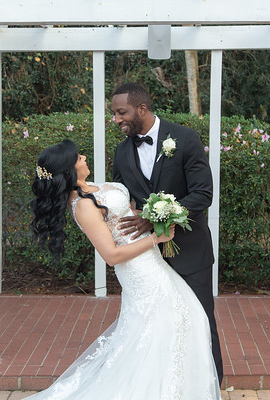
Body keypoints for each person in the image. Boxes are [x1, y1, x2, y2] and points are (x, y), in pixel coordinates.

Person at [26, 139, 221, 400]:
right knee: (171, 321)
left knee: (180, 320)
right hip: (138, 270)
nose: (83, 157)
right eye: (78, 157)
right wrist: (155, 239)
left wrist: (156, 214)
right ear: (69, 170)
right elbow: (111, 255)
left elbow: (126, 215)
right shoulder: (83, 206)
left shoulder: (93, 189)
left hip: (152, 262)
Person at [111, 82, 223, 382]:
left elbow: (203, 194)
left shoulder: (185, 139)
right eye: (114, 114)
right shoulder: (121, 152)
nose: (117, 119)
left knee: (200, 320)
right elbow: (122, 198)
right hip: (147, 259)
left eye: (122, 112)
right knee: (159, 326)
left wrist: (157, 218)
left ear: (142, 109)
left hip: (191, 253)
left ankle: (212, 385)